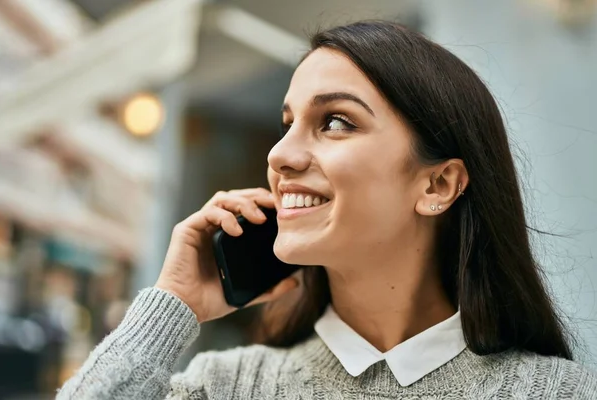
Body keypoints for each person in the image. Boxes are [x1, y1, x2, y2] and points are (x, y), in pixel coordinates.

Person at [56, 20, 597, 399]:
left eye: (335, 122)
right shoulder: (225, 387)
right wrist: (172, 305)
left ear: (438, 184)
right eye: (287, 122)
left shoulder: (560, 393)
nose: (280, 155)